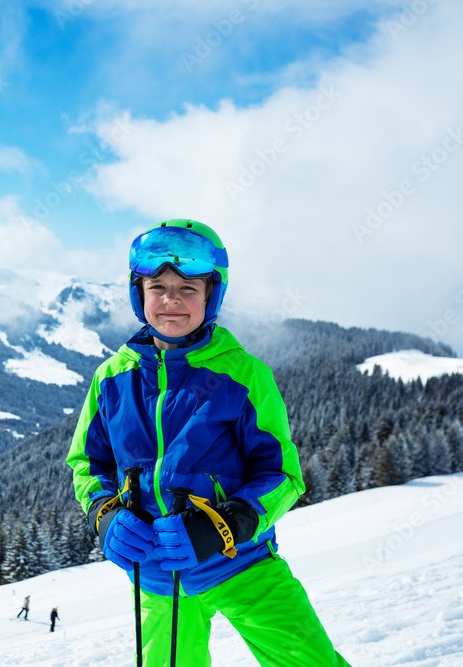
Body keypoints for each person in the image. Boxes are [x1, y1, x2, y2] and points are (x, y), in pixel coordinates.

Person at [67, 220, 350, 666]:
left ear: (211, 295)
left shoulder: (244, 375)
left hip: (243, 562)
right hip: (158, 574)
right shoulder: (111, 379)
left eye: (188, 288)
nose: (171, 300)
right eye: (157, 286)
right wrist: (105, 515)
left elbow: (282, 475)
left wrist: (223, 526)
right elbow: (88, 463)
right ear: (137, 294)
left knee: (308, 660)